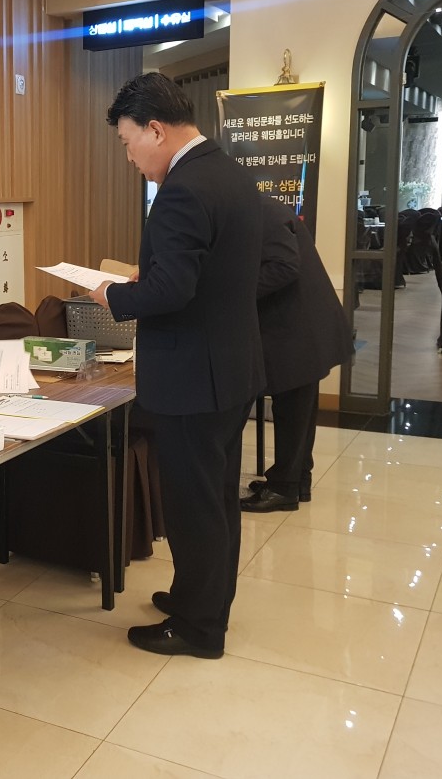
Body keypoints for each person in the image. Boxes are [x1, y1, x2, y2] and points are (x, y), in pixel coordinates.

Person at [92, 72, 264, 659]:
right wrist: (157, 275)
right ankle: (204, 600)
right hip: (229, 368)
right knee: (216, 498)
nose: (130, 156)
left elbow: (172, 292)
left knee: (194, 505)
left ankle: (198, 627)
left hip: (193, 377)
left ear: (156, 130)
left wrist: (113, 294)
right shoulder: (228, 172)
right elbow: (208, 273)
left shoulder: (182, 190)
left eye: (128, 142)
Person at [241, 196, 353, 512]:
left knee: (292, 410)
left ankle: (284, 488)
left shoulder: (261, 212)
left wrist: (235, 292)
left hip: (298, 329)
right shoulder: (264, 208)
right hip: (303, 327)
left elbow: (283, 267)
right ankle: (297, 480)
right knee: (300, 411)